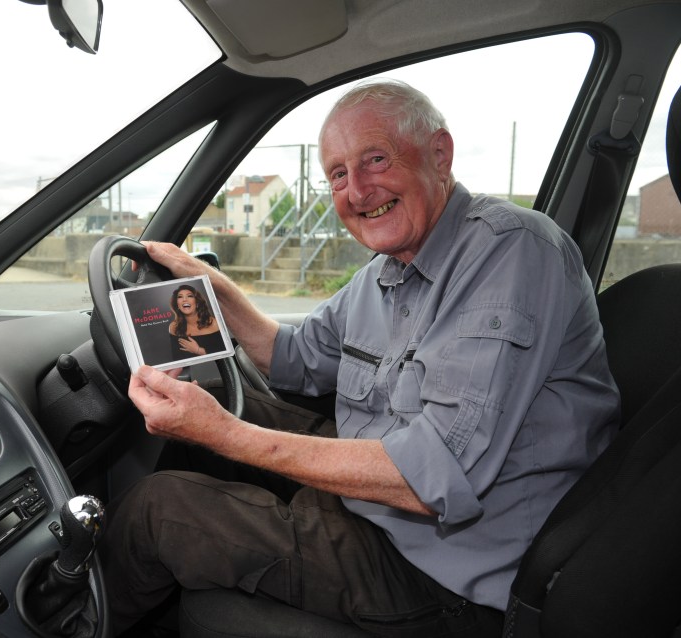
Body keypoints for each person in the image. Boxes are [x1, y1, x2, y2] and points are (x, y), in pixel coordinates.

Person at [99, 79, 621, 637]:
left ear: (439, 155)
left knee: (159, 511)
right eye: (339, 175)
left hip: (443, 574)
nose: (358, 190)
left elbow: (431, 477)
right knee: (224, 407)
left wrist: (224, 434)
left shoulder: (512, 252)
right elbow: (294, 357)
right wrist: (214, 286)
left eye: (376, 159)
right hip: (378, 508)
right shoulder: (385, 272)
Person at [167, 283, 224, 360]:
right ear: (177, 305)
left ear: (197, 302)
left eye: (190, 296)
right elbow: (177, 359)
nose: (184, 299)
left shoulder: (215, 324)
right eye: (180, 297)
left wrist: (198, 351)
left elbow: (224, 358)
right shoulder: (173, 327)